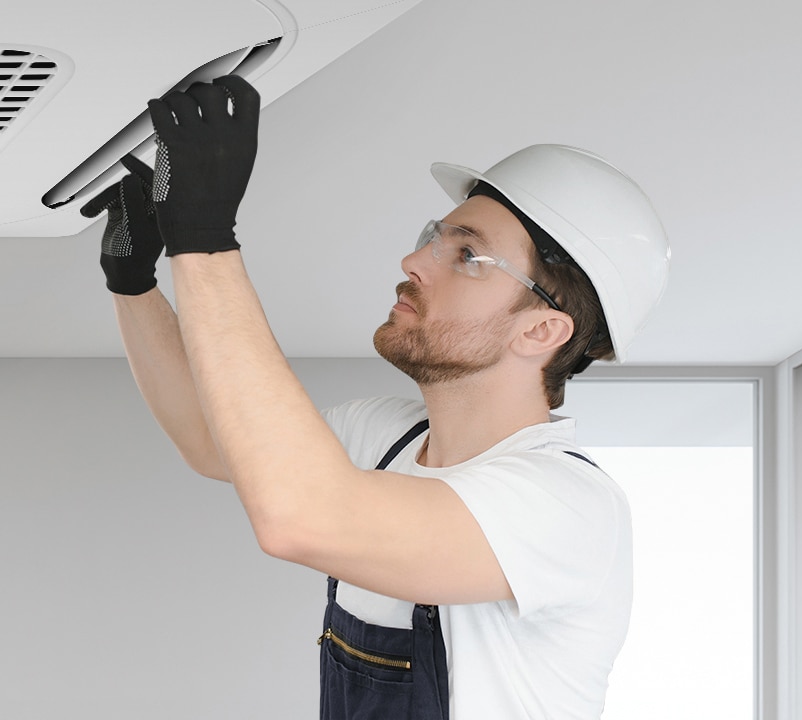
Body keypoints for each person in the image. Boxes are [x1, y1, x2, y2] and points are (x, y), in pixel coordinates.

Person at [81, 75, 670, 720]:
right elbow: (210, 437)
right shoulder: (379, 439)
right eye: (434, 236)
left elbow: (300, 518)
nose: (414, 261)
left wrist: (203, 237)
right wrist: (133, 280)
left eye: (469, 255)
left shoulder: (567, 505)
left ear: (541, 330)